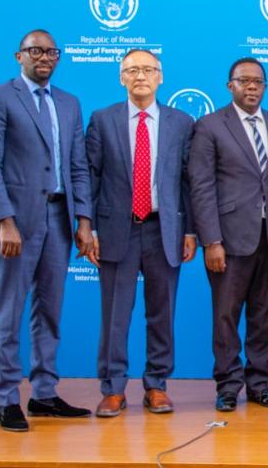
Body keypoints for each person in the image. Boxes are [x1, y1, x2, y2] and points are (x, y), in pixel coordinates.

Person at [0, 29, 93, 432]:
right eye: (35, 50)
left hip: (59, 221)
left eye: (51, 52)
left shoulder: (69, 104)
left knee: (50, 313)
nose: (44, 57)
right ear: (18, 55)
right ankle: (8, 399)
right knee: (8, 314)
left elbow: (77, 167)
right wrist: (3, 220)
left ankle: (44, 394)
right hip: (15, 224)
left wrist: (84, 221)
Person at [83, 49, 196, 417]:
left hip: (165, 229)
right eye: (132, 70)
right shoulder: (102, 120)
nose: (140, 77)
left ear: (160, 77)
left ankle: (157, 385)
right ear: (121, 78)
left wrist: (191, 230)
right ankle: (113, 388)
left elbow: (188, 181)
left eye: (148, 70)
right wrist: (90, 228)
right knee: (115, 314)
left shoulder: (181, 122)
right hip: (118, 230)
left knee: (161, 313)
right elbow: (91, 176)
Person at [188, 57, 268, 412]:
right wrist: (211, 241)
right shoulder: (209, 126)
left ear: (265, 87)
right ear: (229, 85)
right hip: (229, 240)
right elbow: (201, 187)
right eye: (244, 80)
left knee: (265, 316)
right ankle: (228, 384)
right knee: (226, 315)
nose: (252, 87)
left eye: (258, 82)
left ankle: (259, 383)